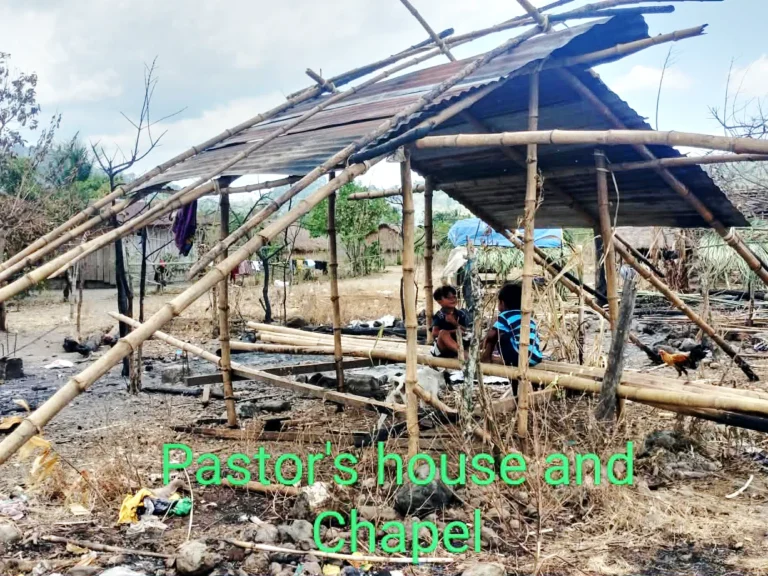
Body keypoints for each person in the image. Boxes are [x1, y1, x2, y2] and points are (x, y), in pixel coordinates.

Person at [481, 282, 543, 368]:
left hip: (519, 356)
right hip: (535, 357)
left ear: (502, 303)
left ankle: (486, 358)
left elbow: (491, 335)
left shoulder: (505, 315)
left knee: (498, 335)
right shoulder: (528, 317)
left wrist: (480, 344)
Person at [430, 285, 471, 359]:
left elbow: (465, 330)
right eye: (449, 298)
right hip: (442, 349)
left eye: (454, 297)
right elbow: (435, 333)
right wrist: (454, 331)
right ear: (439, 301)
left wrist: (454, 322)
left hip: (458, 344)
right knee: (443, 333)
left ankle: (463, 353)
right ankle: (464, 355)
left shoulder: (460, 314)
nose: (453, 300)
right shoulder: (439, 315)